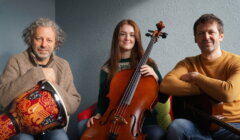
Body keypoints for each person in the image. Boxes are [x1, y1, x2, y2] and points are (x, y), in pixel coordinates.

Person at [78, 19, 171, 140]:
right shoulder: (107, 68)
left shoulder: (148, 64)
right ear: (116, 38)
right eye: (123, 34)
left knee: (156, 134)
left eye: (132, 35)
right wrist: (97, 115)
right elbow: (102, 99)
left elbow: (163, 98)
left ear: (136, 39)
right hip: (113, 120)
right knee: (82, 126)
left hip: (141, 123)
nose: (127, 38)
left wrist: (156, 77)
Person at [159, 13, 240, 140]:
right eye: (200, 33)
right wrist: (206, 91)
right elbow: (166, 84)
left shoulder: (236, 62)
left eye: (211, 32)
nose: (206, 37)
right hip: (200, 126)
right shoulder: (187, 63)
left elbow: (228, 93)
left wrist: (197, 77)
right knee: (177, 126)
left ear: (221, 36)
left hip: (232, 127)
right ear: (195, 39)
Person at [0, 18, 81, 140]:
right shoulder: (16, 61)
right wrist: (38, 74)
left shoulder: (63, 65)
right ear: (30, 39)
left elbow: (74, 103)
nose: (44, 44)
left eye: (49, 40)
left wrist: (52, 88)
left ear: (56, 43)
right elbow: (2, 99)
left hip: (51, 127)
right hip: (20, 126)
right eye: (39, 39)